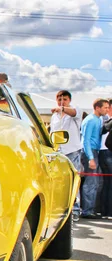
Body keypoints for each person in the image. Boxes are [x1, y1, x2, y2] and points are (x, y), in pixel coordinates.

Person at [50, 90, 83, 220]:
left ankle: (75, 209)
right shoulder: (54, 116)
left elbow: (74, 113)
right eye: (59, 99)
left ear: (69, 100)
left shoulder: (75, 111)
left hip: (72, 150)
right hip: (58, 151)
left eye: (65, 99)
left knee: (73, 180)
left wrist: (62, 109)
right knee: (59, 181)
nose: (62, 102)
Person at [81, 98, 109, 218]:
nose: (107, 110)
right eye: (105, 108)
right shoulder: (91, 120)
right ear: (97, 108)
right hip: (90, 151)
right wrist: (91, 158)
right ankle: (87, 211)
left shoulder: (99, 119)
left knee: (95, 182)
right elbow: (85, 140)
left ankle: (90, 209)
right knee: (90, 182)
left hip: (95, 151)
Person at [100, 103, 112, 218]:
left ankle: (105, 212)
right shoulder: (106, 121)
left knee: (107, 184)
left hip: (103, 152)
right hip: (107, 152)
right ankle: (108, 212)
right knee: (109, 184)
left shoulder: (104, 120)